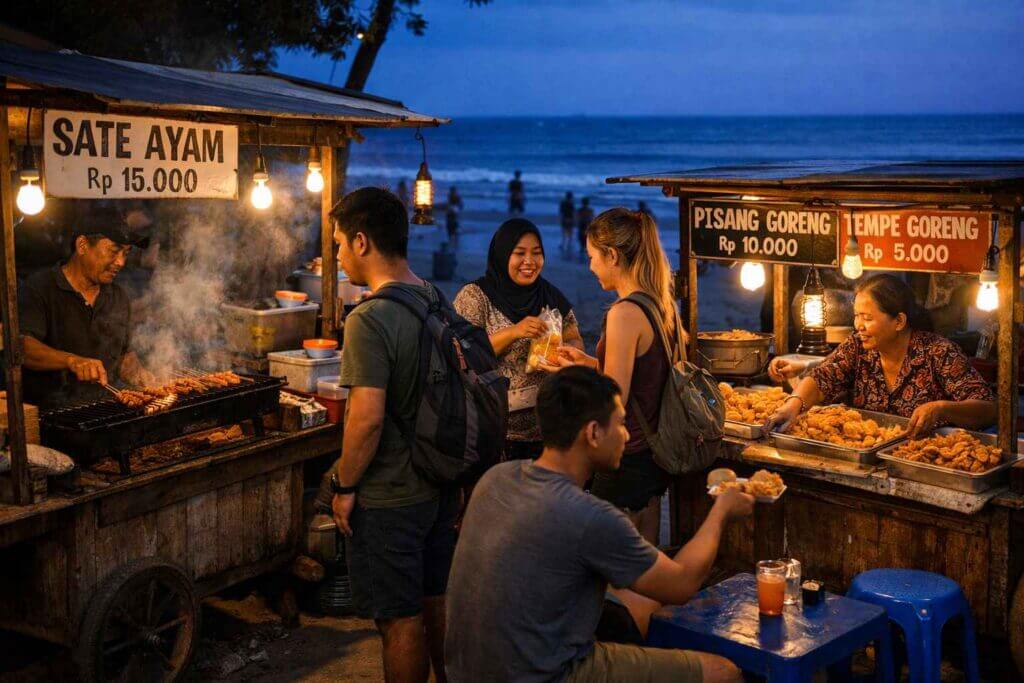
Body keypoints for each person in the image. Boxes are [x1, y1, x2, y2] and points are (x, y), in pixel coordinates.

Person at [446, 367, 751, 683]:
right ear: (593, 433)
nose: (627, 435)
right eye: (620, 424)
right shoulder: (589, 516)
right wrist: (721, 511)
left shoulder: (496, 478)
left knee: (644, 605)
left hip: (464, 671)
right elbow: (682, 584)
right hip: (546, 675)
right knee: (723, 672)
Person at [329, 187, 455, 683]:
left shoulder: (369, 318)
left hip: (391, 497)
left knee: (398, 620)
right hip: (439, 483)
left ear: (361, 242)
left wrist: (344, 486)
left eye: (339, 244)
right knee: (435, 600)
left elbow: (366, 420)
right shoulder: (433, 297)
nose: (339, 256)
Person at [549, 208, 681, 544]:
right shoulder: (660, 305)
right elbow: (644, 375)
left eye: (592, 257)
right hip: (652, 460)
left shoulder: (625, 314)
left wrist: (570, 378)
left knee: (606, 567)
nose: (591, 267)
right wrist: (586, 362)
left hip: (625, 458)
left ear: (612, 255)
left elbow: (613, 397)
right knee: (646, 562)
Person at [765, 273, 995, 438]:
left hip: (923, 459)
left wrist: (941, 408)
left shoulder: (939, 353)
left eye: (867, 318)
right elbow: (823, 376)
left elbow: (988, 409)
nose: (859, 325)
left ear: (899, 321)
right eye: (857, 316)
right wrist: (792, 405)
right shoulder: (858, 347)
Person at [454, 218, 583, 461]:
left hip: (547, 431)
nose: (530, 261)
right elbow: (463, 352)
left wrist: (561, 351)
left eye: (537, 253)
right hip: (493, 430)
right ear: (503, 255)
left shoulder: (549, 295)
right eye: (520, 253)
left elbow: (575, 338)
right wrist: (514, 332)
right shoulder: (475, 296)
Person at [19, 206, 156, 408]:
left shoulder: (118, 297)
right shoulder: (39, 288)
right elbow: (23, 348)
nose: (120, 262)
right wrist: (72, 361)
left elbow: (123, 355)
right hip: (50, 414)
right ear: (82, 245)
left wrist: (139, 374)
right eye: (114, 251)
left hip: (106, 412)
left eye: (125, 253)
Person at [575, 197, 594, 263]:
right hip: (587, 224)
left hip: (581, 224)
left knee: (581, 237)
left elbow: (577, 217)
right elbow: (592, 218)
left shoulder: (580, 210)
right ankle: (585, 249)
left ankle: (582, 248)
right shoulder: (590, 210)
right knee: (586, 237)